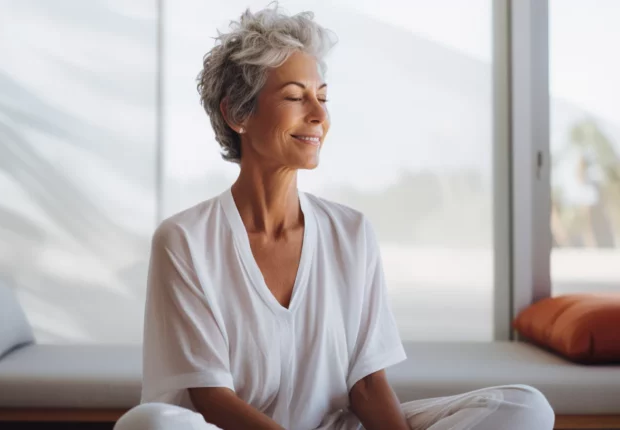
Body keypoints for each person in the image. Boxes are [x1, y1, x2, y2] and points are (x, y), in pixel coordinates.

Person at [116, 4, 555, 429]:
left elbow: (365, 384)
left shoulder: (352, 233)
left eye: (322, 97)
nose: (319, 116)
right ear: (237, 113)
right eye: (295, 96)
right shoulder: (185, 240)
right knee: (149, 423)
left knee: (524, 407)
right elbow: (211, 400)